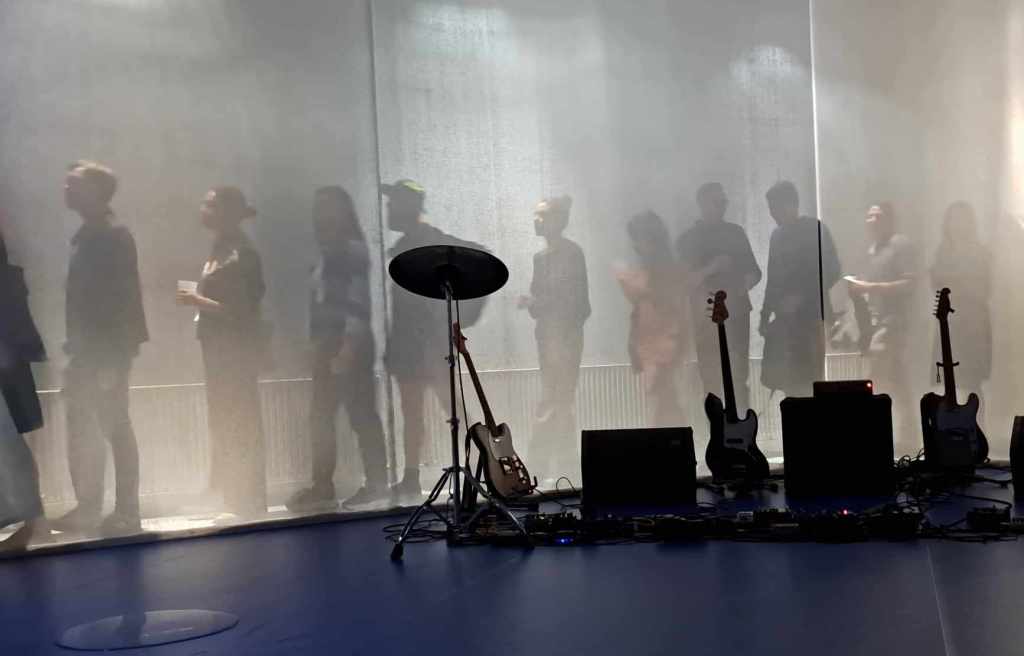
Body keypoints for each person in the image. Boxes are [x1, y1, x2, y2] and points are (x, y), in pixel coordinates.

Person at [52, 161, 148, 535]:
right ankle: (89, 507)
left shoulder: (112, 236)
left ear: (96, 192)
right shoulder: (89, 236)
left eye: (74, 184)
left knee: (114, 426)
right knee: (84, 429)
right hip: (86, 353)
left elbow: (124, 301)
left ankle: (127, 511)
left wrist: (115, 358)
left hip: (105, 353)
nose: (66, 189)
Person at [383, 180, 486, 501]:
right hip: (411, 347)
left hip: (430, 347)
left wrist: (461, 317)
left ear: (409, 206)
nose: (388, 209)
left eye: (393, 203)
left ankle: (481, 466)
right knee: (415, 414)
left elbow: (482, 257)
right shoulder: (405, 245)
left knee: (453, 411)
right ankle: (412, 477)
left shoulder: (432, 241)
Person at [287, 187, 389, 512]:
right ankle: (322, 486)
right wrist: (316, 345)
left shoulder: (350, 250)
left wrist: (347, 346)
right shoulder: (327, 252)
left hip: (349, 342)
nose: (321, 213)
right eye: (318, 206)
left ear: (343, 212)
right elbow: (322, 303)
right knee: (321, 417)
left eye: (328, 207)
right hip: (328, 344)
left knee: (361, 414)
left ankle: (376, 484)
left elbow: (356, 301)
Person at [177, 186, 267, 519]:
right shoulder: (222, 249)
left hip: (235, 352)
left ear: (228, 212)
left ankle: (247, 500)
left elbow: (241, 310)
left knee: (240, 420)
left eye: (211, 204)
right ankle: (228, 495)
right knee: (225, 421)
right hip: (218, 350)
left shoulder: (241, 253)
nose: (204, 209)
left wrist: (196, 301)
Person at [517, 195, 590, 479]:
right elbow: (546, 301)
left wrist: (537, 304)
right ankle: (557, 466)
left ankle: (549, 466)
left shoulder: (571, 254)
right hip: (549, 338)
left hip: (564, 337)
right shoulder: (541, 258)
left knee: (557, 400)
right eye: (536, 215)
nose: (536, 220)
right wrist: (535, 304)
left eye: (543, 215)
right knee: (556, 400)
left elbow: (578, 304)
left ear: (559, 220)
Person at [677, 183, 761, 413]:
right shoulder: (689, 239)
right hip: (705, 317)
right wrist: (712, 268)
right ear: (703, 204)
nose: (723, 206)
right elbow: (684, 283)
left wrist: (742, 286)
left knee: (739, 376)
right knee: (711, 379)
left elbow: (754, 272)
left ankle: (743, 426)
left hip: (737, 314)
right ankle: (716, 430)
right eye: (717, 202)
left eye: (724, 202)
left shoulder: (736, 233)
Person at [844, 202, 919, 446]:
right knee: (897, 379)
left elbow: (910, 283)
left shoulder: (900, 245)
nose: (872, 221)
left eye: (878, 216)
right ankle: (908, 437)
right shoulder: (872, 250)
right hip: (877, 322)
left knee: (874, 376)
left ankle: (871, 435)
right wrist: (858, 286)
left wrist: (870, 287)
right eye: (869, 216)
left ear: (890, 220)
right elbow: (870, 283)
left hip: (894, 322)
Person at [760, 181, 841, 397]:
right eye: (770, 209)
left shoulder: (815, 229)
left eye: (774, 208)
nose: (772, 214)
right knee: (789, 382)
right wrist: (765, 315)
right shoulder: (776, 236)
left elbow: (833, 270)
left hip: (812, 318)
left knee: (812, 380)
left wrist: (802, 297)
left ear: (790, 204)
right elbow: (772, 278)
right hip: (786, 322)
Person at [0, 229, 50, 551]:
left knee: (9, 445)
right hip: (8, 369)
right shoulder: (9, 280)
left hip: (5, 371)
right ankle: (32, 520)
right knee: (9, 446)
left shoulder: (6, 282)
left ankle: (32, 521)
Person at [617, 211, 685, 428]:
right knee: (663, 398)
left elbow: (666, 301)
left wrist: (631, 283)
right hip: (651, 343)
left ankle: (666, 438)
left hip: (663, 344)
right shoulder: (651, 269)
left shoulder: (665, 270)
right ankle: (672, 437)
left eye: (639, 239)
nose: (635, 246)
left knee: (661, 396)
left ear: (652, 239)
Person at [929, 201, 991, 394]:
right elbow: (937, 283)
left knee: (971, 383)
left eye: (961, 219)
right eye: (953, 219)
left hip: (972, 325)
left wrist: (958, 284)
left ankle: (977, 415)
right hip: (948, 324)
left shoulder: (980, 252)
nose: (956, 225)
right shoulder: (942, 252)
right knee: (948, 382)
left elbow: (984, 288)